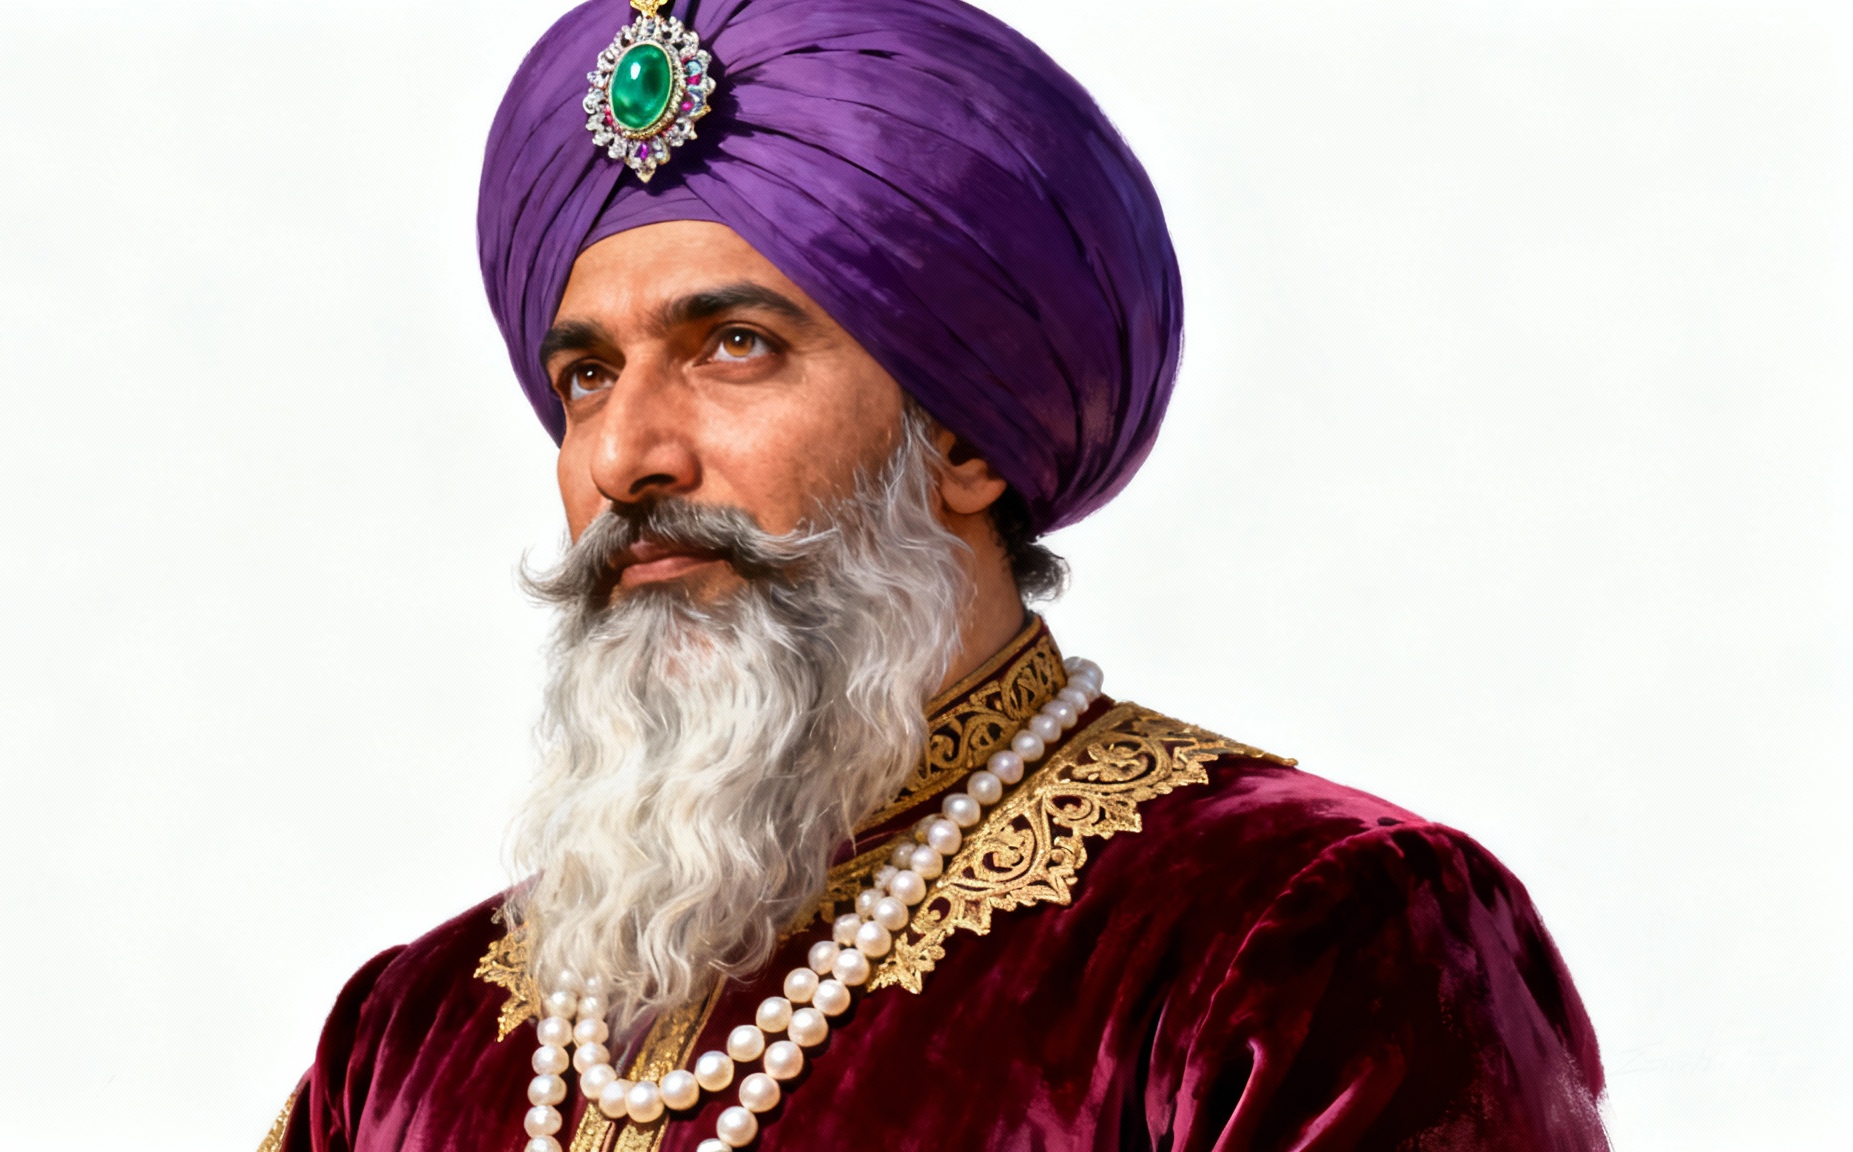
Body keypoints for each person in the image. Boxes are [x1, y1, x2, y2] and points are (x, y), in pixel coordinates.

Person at [262, 0, 1608, 1148]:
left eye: (734, 344)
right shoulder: (409, 1034)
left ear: (964, 435)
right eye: (587, 374)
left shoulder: (1304, 937)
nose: (623, 455)